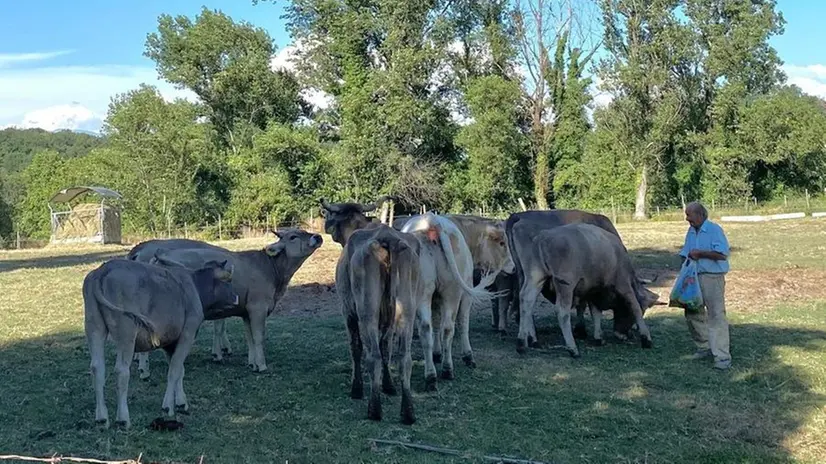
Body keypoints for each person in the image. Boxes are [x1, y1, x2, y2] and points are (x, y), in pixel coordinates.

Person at [679, 201, 732, 370]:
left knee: (716, 314)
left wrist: (700, 254)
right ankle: (703, 346)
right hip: (693, 277)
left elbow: (722, 254)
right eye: (686, 215)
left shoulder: (714, 230)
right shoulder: (691, 231)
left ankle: (722, 356)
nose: (687, 219)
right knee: (692, 311)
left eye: (689, 215)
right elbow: (686, 253)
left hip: (712, 277)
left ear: (701, 215)